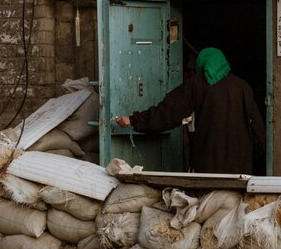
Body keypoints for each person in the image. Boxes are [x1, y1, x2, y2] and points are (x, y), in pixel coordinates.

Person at [114, 47, 266, 174]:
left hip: (208, 170)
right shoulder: (242, 87)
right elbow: (257, 129)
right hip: (240, 170)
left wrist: (133, 119)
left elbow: (168, 113)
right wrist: (253, 157)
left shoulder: (197, 84)